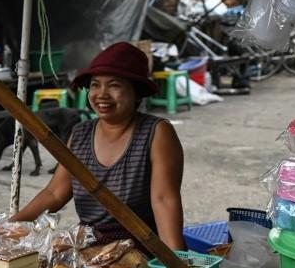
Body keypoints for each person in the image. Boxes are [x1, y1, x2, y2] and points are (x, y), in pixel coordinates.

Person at [14, 42, 185, 250]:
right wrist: (10, 226)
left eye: (114, 85)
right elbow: (55, 193)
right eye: (95, 85)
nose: (102, 94)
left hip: (140, 247)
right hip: (90, 247)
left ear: (137, 93)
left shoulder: (156, 132)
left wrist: (176, 262)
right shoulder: (80, 134)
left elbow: (163, 200)